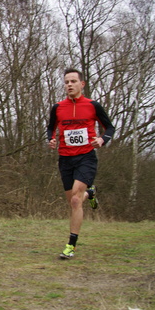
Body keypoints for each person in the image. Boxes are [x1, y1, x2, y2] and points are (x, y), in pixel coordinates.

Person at [47, 68, 115, 259]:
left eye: (73, 81)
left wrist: (102, 140)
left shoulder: (93, 105)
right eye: (66, 82)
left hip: (86, 157)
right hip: (65, 158)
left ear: (82, 84)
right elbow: (50, 127)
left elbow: (109, 127)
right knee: (72, 201)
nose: (69, 85)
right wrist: (51, 139)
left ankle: (71, 245)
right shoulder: (58, 107)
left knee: (76, 200)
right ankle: (90, 193)